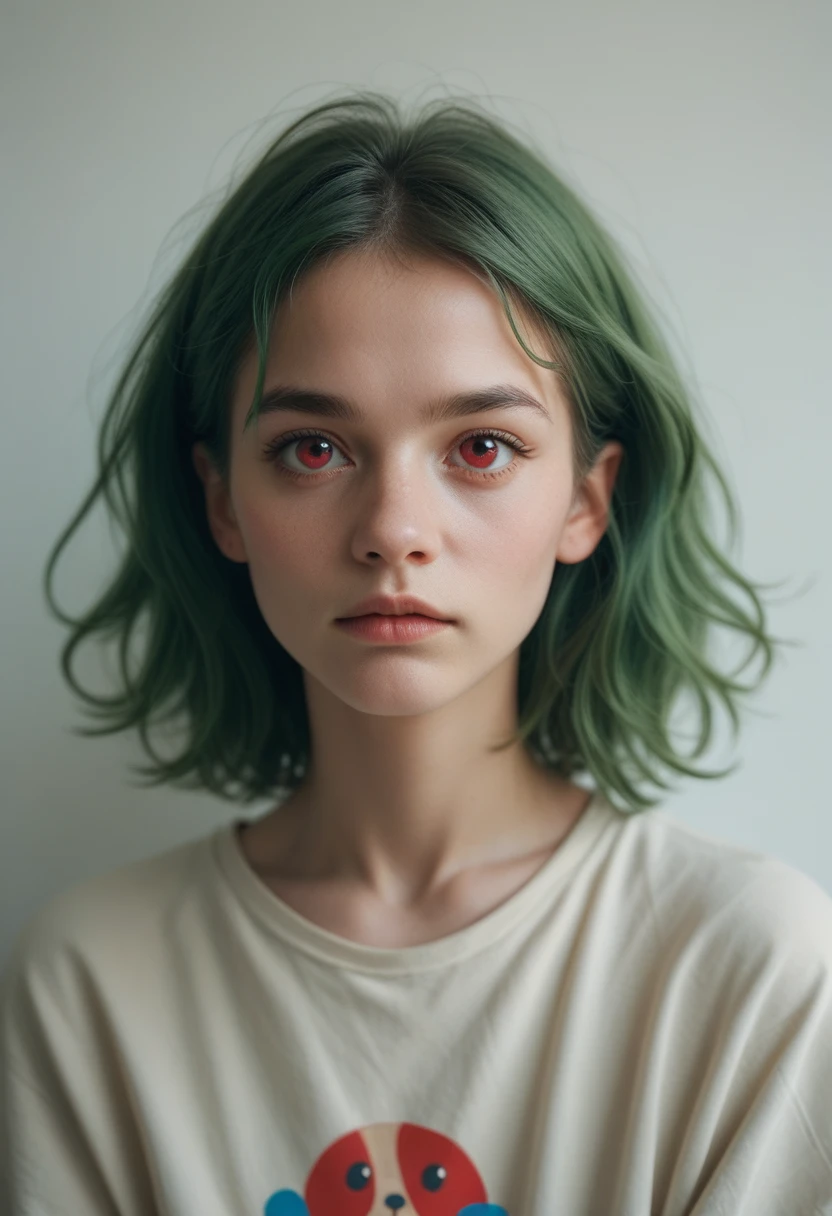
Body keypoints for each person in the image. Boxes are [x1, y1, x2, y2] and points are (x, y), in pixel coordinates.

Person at [1, 91, 830, 1216]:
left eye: (481, 446)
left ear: (587, 499)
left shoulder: (749, 969)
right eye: (313, 447)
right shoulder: (82, 986)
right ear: (220, 501)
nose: (394, 526)